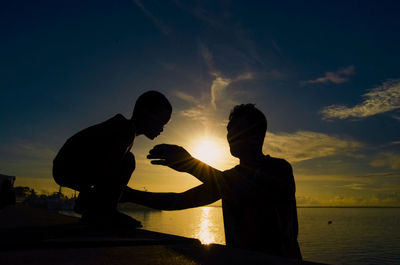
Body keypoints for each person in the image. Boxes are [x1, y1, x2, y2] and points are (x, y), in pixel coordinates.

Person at [121, 104, 302, 259]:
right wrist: (130, 194)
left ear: (256, 134)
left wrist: (190, 164)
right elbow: (178, 200)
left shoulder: (278, 169)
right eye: (229, 129)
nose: (230, 136)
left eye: (237, 129)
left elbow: (243, 188)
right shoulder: (228, 179)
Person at [52, 91, 172, 226]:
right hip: (68, 167)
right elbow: (108, 170)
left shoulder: (124, 130)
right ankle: (103, 211)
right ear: (145, 113)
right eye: (161, 122)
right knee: (128, 161)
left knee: (124, 161)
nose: (162, 129)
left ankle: (93, 208)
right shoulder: (124, 131)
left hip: (67, 167)